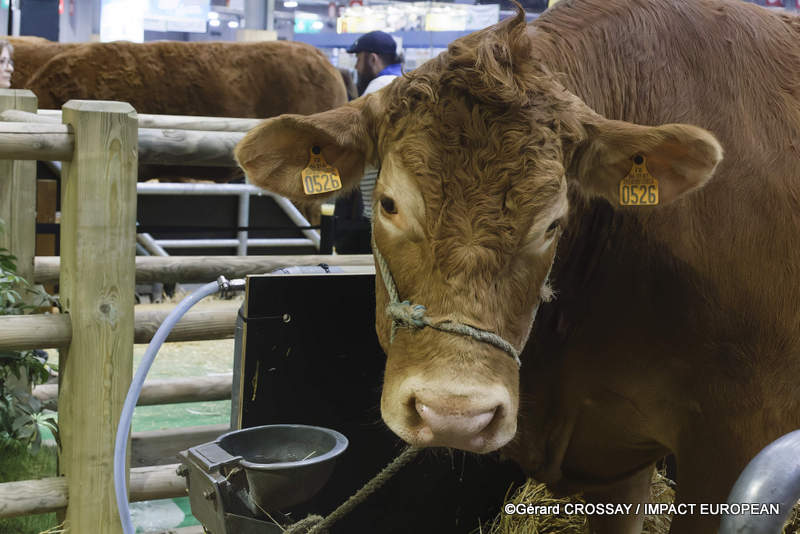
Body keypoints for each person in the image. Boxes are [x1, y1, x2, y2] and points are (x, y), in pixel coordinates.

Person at [333, 31, 403, 253]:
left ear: (373, 58)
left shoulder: (378, 88)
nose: (355, 66)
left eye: (358, 58)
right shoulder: (403, 83)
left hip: (375, 212)